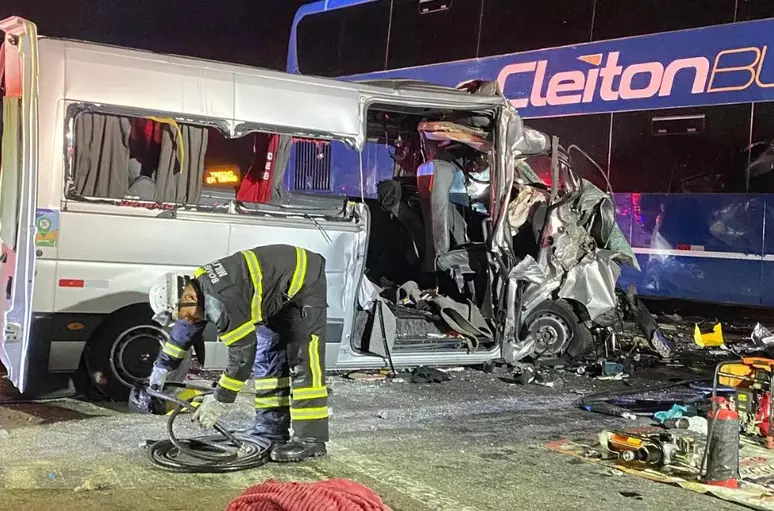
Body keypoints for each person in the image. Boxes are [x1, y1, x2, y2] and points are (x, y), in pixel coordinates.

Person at [146, 244, 329, 462]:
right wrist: (163, 366)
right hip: (275, 294)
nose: (184, 319)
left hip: (304, 284)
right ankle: (271, 431)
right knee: (268, 362)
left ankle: (310, 440)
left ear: (188, 297)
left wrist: (219, 399)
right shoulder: (198, 288)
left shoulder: (221, 302)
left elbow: (242, 358)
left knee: (304, 362)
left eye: (181, 314)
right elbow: (185, 330)